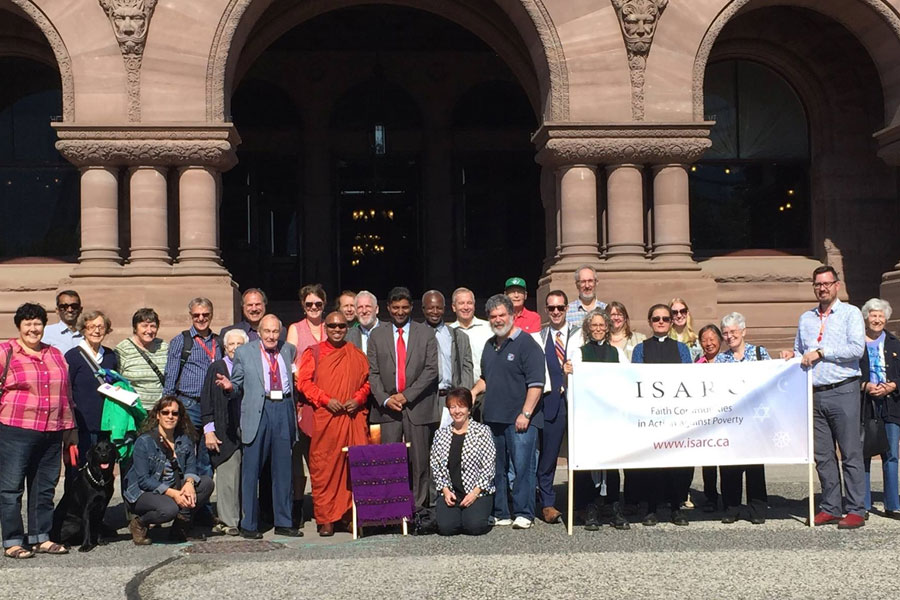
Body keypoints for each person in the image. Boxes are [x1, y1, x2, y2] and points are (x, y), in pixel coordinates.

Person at [785, 265, 866, 529]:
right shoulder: (805, 318)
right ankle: (831, 506)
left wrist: (822, 352)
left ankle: (855, 508)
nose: (822, 288)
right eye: (817, 284)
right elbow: (800, 351)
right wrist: (791, 357)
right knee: (823, 455)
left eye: (826, 284)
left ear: (836, 285)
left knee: (850, 451)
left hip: (843, 389)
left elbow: (856, 348)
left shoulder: (851, 313)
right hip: (815, 393)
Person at [0, 303, 76, 558]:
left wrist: (69, 429)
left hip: (52, 430)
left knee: (44, 486)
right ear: (19, 326)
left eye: (38, 324)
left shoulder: (55, 354)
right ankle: (12, 540)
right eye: (28, 324)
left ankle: (40, 537)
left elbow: (66, 394)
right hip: (15, 429)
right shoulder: (5, 352)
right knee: (11, 488)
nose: (33, 329)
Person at [216, 314, 302, 538]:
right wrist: (228, 387)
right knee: (251, 470)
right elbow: (237, 384)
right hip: (258, 411)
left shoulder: (288, 350)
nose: (272, 336)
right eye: (267, 332)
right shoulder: (245, 352)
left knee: (283, 470)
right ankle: (249, 524)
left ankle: (284, 521)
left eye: (275, 332)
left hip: (283, 408)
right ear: (260, 332)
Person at [470, 294, 545, 529]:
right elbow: (486, 379)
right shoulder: (490, 345)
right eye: (493, 316)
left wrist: (526, 414)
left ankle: (524, 512)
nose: (498, 320)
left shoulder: (527, 345)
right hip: (493, 419)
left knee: (523, 467)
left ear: (512, 316)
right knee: (497, 468)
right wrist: (472, 393)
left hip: (520, 419)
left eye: (502, 315)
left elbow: (536, 384)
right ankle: (501, 512)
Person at [296, 312, 370, 536]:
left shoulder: (355, 354)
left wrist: (357, 399)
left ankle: (349, 515)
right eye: (333, 326)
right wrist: (327, 400)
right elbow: (304, 383)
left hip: (351, 418)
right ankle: (326, 518)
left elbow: (367, 383)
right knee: (325, 466)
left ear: (347, 328)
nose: (337, 330)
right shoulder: (315, 353)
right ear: (325, 328)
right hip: (326, 419)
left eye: (341, 326)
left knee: (352, 467)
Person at [367, 286, 439, 511]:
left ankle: (417, 509)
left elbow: (431, 370)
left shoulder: (425, 333)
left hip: (418, 406)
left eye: (404, 307)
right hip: (388, 408)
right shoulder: (376, 335)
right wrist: (386, 399)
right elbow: (373, 372)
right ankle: (391, 509)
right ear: (388, 308)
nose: (400, 311)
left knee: (420, 462)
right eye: (395, 307)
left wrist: (406, 396)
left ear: (411, 308)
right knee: (389, 460)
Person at [631, 304, 693, 526]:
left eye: (665, 319)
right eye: (656, 318)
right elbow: (636, 379)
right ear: (649, 322)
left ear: (671, 322)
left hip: (675, 415)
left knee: (676, 464)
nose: (661, 322)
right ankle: (651, 508)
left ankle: (677, 507)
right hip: (651, 416)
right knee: (652, 464)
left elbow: (689, 379)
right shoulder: (641, 349)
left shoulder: (681, 349)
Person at [123, 397, 214, 545]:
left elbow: (191, 467)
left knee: (206, 483)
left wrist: (189, 483)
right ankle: (139, 523)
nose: (170, 416)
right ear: (158, 415)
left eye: (174, 413)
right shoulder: (144, 441)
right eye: (165, 412)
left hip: (173, 486)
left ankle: (180, 527)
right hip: (143, 492)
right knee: (169, 509)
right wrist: (174, 494)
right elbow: (144, 480)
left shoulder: (185, 439)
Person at [571, 308, 629, 530]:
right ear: (588, 328)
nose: (597, 329)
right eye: (593, 325)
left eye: (601, 325)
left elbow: (626, 379)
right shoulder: (579, 353)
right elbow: (575, 384)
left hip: (611, 418)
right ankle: (590, 509)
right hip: (589, 417)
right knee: (588, 462)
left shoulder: (617, 354)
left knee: (612, 464)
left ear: (607, 328)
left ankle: (614, 507)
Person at [715, 312, 771, 524]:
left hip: (755, 418)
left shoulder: (759, 353)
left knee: (755, 465)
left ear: (743, 331)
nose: (729, 337)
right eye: (725, 333)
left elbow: (772, 379)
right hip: (730, 419)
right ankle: (732, 508)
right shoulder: (721, 359)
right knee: (730, 465)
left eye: (733, 332)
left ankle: (757, 509)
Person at [532, 290, 580, 525]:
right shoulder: (538, 337)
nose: (556, 312)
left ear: (567, 308)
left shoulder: (580, 335)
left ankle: (582, 500)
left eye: (560, 307)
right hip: (550, 402)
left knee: (580, 453)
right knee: (549, 455)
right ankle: (548, 503)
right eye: (551, 308)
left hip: (577, 402)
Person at [163, 297, 222, 480]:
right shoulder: (181, 341)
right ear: (191, 316)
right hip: (189, 404)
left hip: (212, 407)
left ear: (211, 315)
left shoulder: (219, 342)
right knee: (185, 454)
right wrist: (168, 407)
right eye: (196, 315)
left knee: (207, 456)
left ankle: (202, 503)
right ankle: (185, 498)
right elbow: (171, 375)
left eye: (205, 314)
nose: (201, 318)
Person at [286, 283, 329, 524]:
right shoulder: (296, 329)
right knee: (299, 455)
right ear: (303, 306)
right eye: (309, 304)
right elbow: (291, 362)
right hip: (303, 400)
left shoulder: (330, 326)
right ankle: (297, 506)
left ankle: (324, 505)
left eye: (318, 304)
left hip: (326, 400)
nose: (313, 308)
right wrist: (304, 381)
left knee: (322, 457)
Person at [200, 328, 249, 536]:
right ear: (225, 347)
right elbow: (207, 400)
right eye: (231, 345)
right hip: (224, 430)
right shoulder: (217, 367)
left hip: (247, 429)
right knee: (228, 476)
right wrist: (209, 430)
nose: (235, 349)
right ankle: (229, 521)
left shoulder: (250, 366)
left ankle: (246, 519)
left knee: (244, 477)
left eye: (240, 345)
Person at [430, 388, 495, 536]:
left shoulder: (482, 432)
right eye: (452, 407)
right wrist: (445, 491)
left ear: (469, 409)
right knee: (447, 529)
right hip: (451, 492)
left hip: (477, 491)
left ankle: (478, 513)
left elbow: (488, 466)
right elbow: (436, 465)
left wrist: (475, 493)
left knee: (474, 527)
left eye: (461, 406)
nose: (457, 411)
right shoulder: (440, 434)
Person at [859, 298, 900, 518]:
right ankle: (862, 505)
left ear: (886, 318)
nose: (877, 320)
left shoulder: (895, 343)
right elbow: (850, 374)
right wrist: (865, 385)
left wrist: (892, 385)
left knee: (891, 454)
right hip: (865, 404)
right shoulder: (857, 344)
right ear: (866, 318)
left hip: (891, 403)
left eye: (880, 316)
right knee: (864, 453)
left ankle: (893, 504)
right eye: (873, 315)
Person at [65, 310, 117, 462]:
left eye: (101, 327)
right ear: (83, 329)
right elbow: (66, 391)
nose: (96, 331)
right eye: (91, 327)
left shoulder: (110, 356)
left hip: (106, 425)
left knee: (103, 472)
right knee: (79, 472)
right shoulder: (72, 356)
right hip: (81, 426)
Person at [422, 290, 474, 428]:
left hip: (450, 399)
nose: (434, 311)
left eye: (438, 308)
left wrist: (462, 397)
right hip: (424, 400)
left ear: (444, 309)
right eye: (430, 308)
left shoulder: (458, 337)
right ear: (423, 309)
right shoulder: (416, 335)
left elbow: (466, 368)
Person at [115, 308, 169, 412]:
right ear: (135, 328)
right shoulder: (123, 350)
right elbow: (116, 380)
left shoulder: (164, 347)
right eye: (144, 326)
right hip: (134, 411)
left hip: (159, 412)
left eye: (153, 326)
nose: (149, 331)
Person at [696, 324, 724, 513]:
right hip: (705, 418)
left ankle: (729, 498)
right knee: (708, 461)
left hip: (727, 416)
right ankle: (710, 497)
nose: (708, 343)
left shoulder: (727, 361)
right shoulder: (696, 364)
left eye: (712, 339)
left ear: (720, 340)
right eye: (704, 339)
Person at [449, 287, 493, 383]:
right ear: (453, 307)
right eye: (461, 303)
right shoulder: (448, 333)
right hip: (460, 390)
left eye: (469, 303)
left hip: (487, 387)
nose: (466, 307)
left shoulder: (489, 329)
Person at [220, 288, 285, 342]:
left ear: (264, 305)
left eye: (258, 304)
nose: (254, 309)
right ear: (243, 307)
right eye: (250, 305)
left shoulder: (281, 332)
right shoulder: (228, 332)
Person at [346, 290, 381, 354]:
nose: (364, 311)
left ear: (376, 309)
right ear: (356, 312)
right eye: (360, 307)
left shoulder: (389, 332)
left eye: (368, 306)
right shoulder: (348, 336)